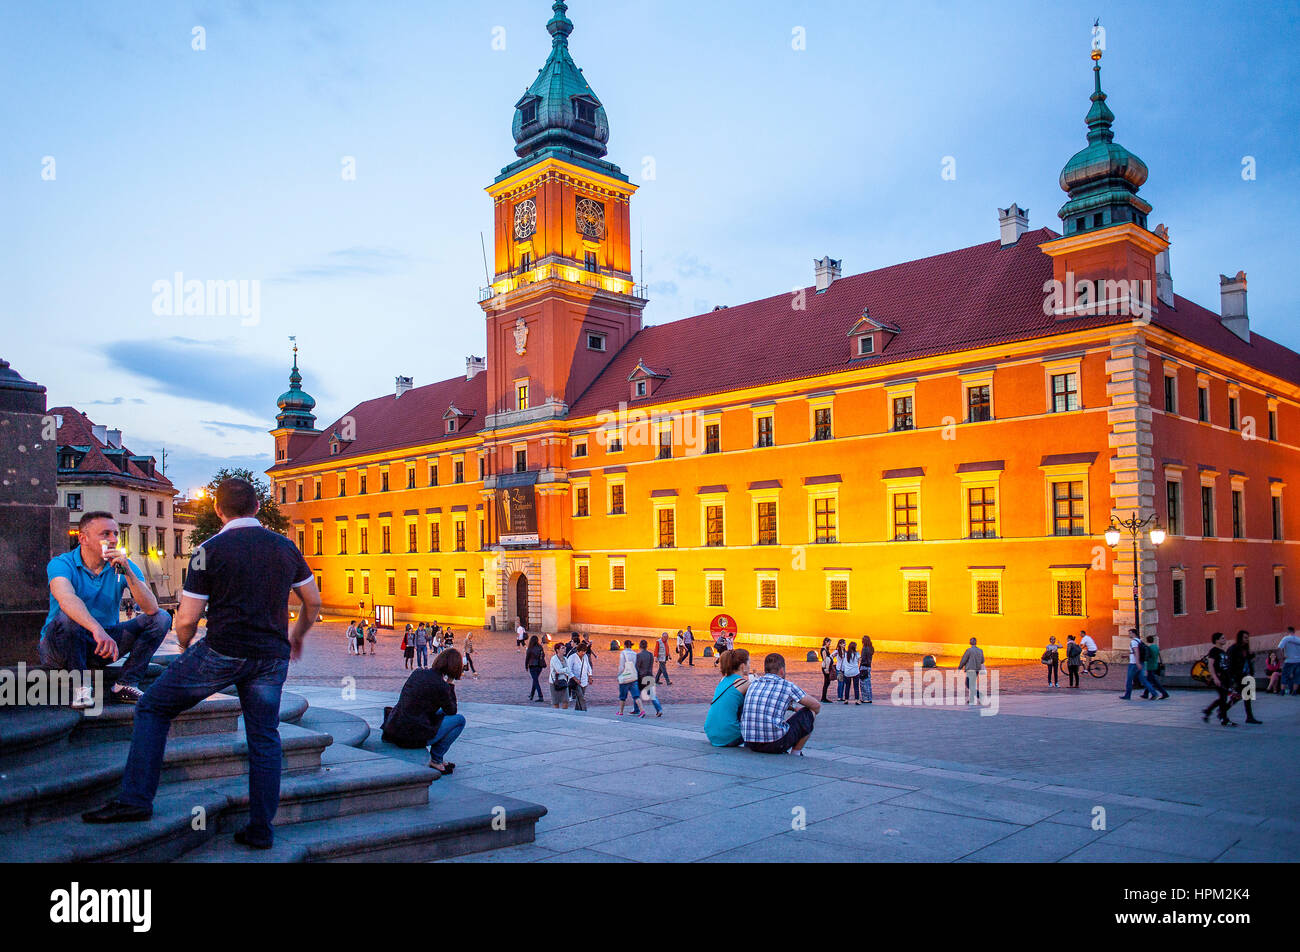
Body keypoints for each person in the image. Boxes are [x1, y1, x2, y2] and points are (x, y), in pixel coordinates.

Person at [82, 477, 321, 849]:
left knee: (152, 707)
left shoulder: (208, 550)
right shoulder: (284, 547)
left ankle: (135, 800)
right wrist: (297, 636)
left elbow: (187, 619)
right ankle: (261, 830)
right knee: (264, 737)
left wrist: (182, 644)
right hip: (271, 657)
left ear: (217, 510)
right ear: (257, 507)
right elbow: (313, 602)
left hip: (222, 652)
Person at [40, 510, 173, 708]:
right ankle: (81, 687)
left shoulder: (123, 566)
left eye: (116, 534)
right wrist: (97, 629)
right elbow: (67, 598)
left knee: (161, 617)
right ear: (83, 538)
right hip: (61, 648)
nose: (113, 540)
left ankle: (126, 683)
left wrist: (128, 573)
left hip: (102, 646)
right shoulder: (62, 563)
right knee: (69, 617)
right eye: (105, 534)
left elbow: (151, 608)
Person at [381, 648, 465, 777]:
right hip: (411, 737)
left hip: (395, 729)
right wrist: (450, 683)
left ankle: (437, 758)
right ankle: (436, 759)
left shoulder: (418, 673)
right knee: (459, 720)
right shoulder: (441, 686)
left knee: (442, 713)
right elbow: (452, 710)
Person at [742, 653, 821, 754]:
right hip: (774, 743)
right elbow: (816, 705)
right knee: (810, 713)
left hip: (750, 743)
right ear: (782, 670)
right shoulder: (787, 686)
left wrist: (793, 707)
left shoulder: (754, 683)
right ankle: (796, 752)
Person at [705, 649, 751, 747]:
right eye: (749, 662)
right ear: (743, 666)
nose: (750, 666)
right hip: (730, 736)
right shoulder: (743, 683)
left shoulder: (723, 680)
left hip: (711, 733)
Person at [1200, 632, 1238, 726]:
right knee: (1223, 698)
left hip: (1225, 678)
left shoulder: (1222, 651)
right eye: (1222, 638)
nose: (1225, 639)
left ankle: (1208, 711)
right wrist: (1215, 678)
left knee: (1222, 698)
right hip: (1219, 678)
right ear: (1216, 640)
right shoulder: (1214, 651)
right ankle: (1224, 719)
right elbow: (1210, 665)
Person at [1227, 630, 1262, 725]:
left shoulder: (1245, 649)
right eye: (1245, 637)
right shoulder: (1233, 649)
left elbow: (1246, 660)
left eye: (1247, 638)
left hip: (1246, 676)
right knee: (1238, 696)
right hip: (1238, 676)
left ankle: (1249, 717)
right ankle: (1223, 711)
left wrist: (1252, 656)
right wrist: (1232, 678)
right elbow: (1230, 664)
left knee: (1247, 697)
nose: (1247, 639)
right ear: (1240, 638)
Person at [1119, 628, 1161, 700]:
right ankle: (1154, 693)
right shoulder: (1139, 641)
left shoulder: (1133, 642)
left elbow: (1136, 652)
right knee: (1143, 680)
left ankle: (1127, 695)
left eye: (1130, 633)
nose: (1129, 634)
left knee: (1129, 679)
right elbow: (1135, 652)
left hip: (1134, 663)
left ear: (1133, 633)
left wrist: (1137, 662)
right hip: (1140, 662)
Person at [616, 639, 643, 717]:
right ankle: (642, 710)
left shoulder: (623, 653)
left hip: (625, 677)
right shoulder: (635, 654)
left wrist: (619, 675)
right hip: (633, 676)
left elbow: (621, 666)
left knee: (622, 696)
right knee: (636, 695)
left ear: (624, 645)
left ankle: (621, 712)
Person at [636, 639, 663, 717]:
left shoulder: (639, 655)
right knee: (652, 695)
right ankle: (659, 709)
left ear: (640, 646)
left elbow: (637, 667)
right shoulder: (650, 654)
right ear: (647, 646)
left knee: (636, 694)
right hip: (650, 676)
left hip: (642, 677)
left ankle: (637, 709)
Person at [1139, 635, 1170, 700]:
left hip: (1149, 665)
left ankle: (1164, 693)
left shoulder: (1149, 648)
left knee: (1153, 681)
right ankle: (1145, 694)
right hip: (1155, 664)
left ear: (1147, 640)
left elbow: (1147, 657)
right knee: (1149, 680)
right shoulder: (1156, 647)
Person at [957, 637, 984, 704]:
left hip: (970, 670)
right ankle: (972, 700)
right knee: (972, 685)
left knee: (968, 684)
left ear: (971, 642)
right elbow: (982, 660)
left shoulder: (969, 650)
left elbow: (964, 659)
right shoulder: (980, 650)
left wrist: (960, 667)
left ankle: (980, 696)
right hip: (977, 669)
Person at [567, 642, 592, 711]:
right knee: (581, 697)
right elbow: (568, 670)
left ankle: (577, 711)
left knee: (579, 698)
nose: (583, 653)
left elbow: (588, 667)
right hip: (576, 681)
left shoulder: (585, 657)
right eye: (582, 652)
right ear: (578, 651)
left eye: (585, 651)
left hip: (584, 680)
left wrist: (590, 676)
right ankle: (584, 711)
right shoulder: (572, 657)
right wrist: (575, 679)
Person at [1278, 626, 1300, 696]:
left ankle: (1282, 691)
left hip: (1289, 661)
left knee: (1284, 675)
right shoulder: (1299, 639)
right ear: (1294, 631)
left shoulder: (1286, 638)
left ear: (1288, 631)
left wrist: (1283, 656)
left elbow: (1279, 648)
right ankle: (1294, 692)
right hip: (1298, 661)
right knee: (1297, 676)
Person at [548, 643, 571, 709]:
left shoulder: (565, 659)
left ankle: (564, 714)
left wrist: (566, 670)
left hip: (564, 681)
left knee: (566, 700)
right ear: (557, 650)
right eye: (562, 648)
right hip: (555, 682)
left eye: (564, 648)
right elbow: (558, 670)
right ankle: (557, 715)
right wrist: (566, 669)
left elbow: (568, 671)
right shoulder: (554, 659)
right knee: (556, 702)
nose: (565, 649)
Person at [525, 635, 545, 702]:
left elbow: (527, 658)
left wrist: (526, 666)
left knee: (536, 681)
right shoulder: (540, 647)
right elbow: (543, 655)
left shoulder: (530, 648)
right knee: (535, 680)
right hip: (539, 666)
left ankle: (540, 696)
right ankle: (532, 695)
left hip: (532, 666)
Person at [818, 637, 834, 702]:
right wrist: (826, 669)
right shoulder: (824, 650)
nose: (829, 644)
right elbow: (825, 660)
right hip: (826, 667)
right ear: (825, 642)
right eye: (829, 643)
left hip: (827, 667)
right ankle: (823, 698)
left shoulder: (825, 649)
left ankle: (824, 697)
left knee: (827, 682)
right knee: (826, 682)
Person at [860, 635, 875, 704]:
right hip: (869, 666)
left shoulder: (864, 648)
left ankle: (865, 698)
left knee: (863, 684)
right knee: (868, 683)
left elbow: (862, 658)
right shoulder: (871, 648)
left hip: (863, 667)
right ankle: (869, 698)